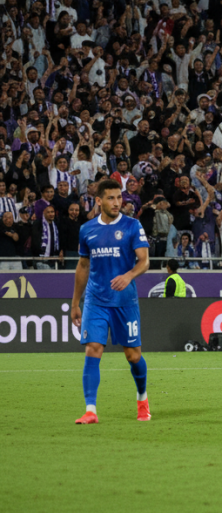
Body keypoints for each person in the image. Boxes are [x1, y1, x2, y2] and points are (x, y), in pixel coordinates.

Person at [71, 179, 152, 424]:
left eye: (119, 197)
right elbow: (83, 266)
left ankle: (142, 398)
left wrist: (128, 276)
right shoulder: (87, 229)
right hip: (96, 300)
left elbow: (145, 261)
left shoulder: (132, 225)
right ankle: (91, 410)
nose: (117, 202)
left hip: (125, 302)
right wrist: (76, 302)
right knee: (92, 349)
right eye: (111, 198)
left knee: (133, 356)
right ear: (99, 200)